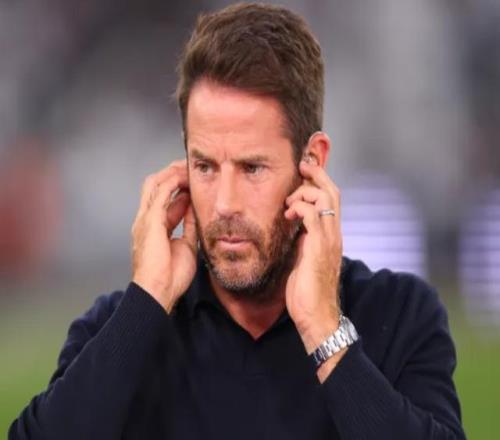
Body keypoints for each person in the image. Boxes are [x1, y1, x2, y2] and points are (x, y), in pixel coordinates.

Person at [9, 3, 465, 439]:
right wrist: (146, 299)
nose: (225, 203)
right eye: (205, 166)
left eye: (252, 168)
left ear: (312, 161)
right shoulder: (123, 326)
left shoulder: (400, 315)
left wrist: (323, 330)